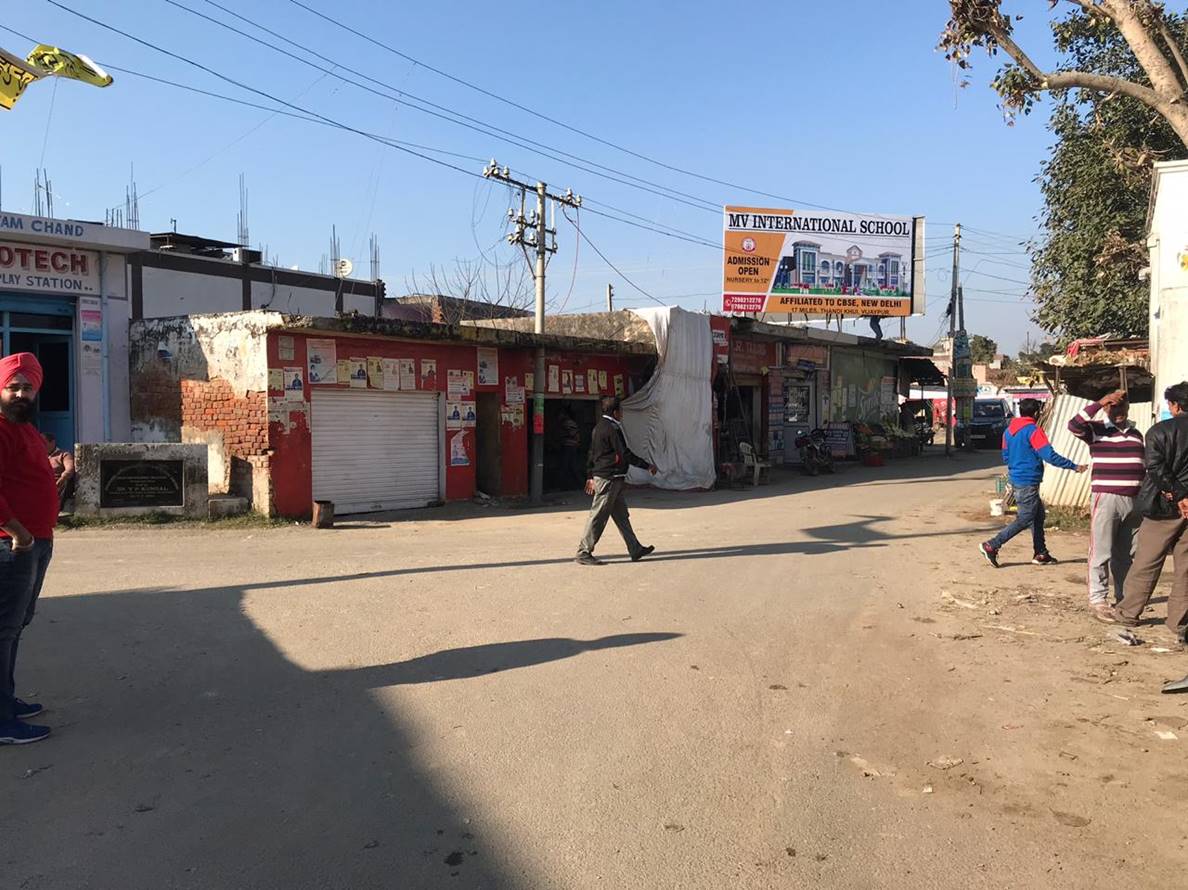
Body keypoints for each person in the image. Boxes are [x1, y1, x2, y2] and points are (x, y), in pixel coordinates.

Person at [0, 353, 60, 746]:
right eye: (13, 386)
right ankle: (2, 721)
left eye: (28, 386)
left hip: (36, 541)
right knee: (2, 630)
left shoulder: (25, 428)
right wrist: (18, 532)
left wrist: (56, 467)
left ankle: (7, 701)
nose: (21, 393)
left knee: (15, 626)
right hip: (12, 545)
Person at [1106, 382, 1188, 645]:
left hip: (1162, 507)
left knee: (1146, 561)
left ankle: (1129, 613)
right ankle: (1179, 623)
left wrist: (1178, 495)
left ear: (1174, 405)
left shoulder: (1158, 431)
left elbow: (1155, 468)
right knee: (1186, 569)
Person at [979, 398, 1086, 568]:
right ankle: (991, 545)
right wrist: (1073, 466)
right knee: (1025, 518)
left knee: (1037, 516)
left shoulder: (1008, 431)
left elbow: (1006, 457)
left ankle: (1041, 553)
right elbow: (1049, 456)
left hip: (1017, 478)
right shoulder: (1033, 431)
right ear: (1036, 413)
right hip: (1028, 480)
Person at [1067, 390, 1146, 622]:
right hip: (1106, 498)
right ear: (1105, 409)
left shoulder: (1136, 434)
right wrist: (1100, 402)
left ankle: (1124, 598)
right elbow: (1073, 425)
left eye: (1121, 407)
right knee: (1101, 551)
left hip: (1134, 501)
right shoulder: (1095, 431)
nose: (1117, 411)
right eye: (1112, 407)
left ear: (1128, 408)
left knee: (1127, 554)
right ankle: (1098, 599)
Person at [575, 396, 657, 566]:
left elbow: (591, 453)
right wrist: (646, 465)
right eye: (622, 411)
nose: (623, 415)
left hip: (611, 478)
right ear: (615, 412)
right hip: (609, 478)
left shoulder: (598, 428)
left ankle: (635, 548)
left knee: (622, 516)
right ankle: (584, 551)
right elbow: (625, 454)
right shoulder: (612, 429)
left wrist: (590, 475)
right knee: (598, 516)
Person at [44, 432, 76, 510]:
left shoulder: (64, 455)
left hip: (58, 484)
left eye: (44, 443)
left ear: (52, 442)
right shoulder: (40, 456)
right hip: (43, 484)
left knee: (66, 481)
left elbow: (69, 469)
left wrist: (60, 480)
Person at [559, 406, 583, 490]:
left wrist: (576, 442)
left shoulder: (568, 423)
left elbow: (575, 435)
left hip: (570, 446)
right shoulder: (566, 423)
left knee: (569, 466)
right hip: (570, 446)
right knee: (570, 465)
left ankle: (577, 485)